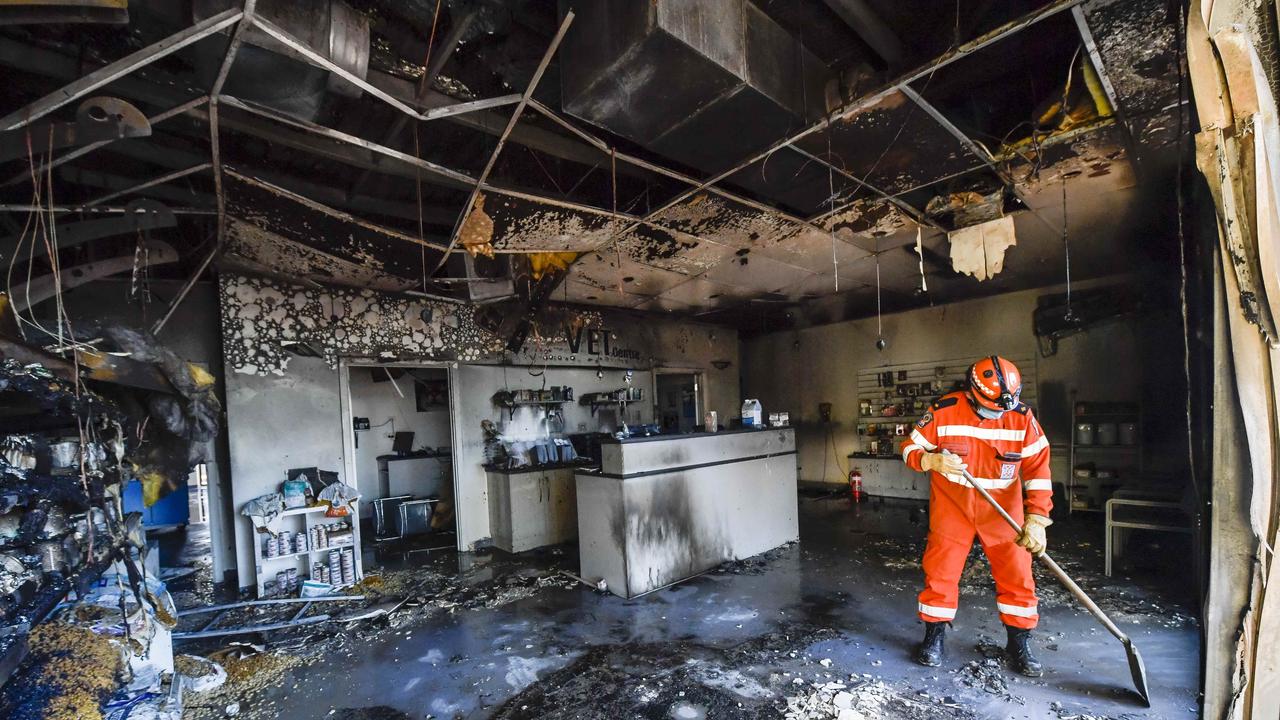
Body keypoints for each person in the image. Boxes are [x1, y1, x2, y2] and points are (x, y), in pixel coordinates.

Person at [900, 356, 1052, 677]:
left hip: (1002, 511)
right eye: (992, 408)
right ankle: (935, 636)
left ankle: (1019, 642)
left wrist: (1037, 519)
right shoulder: (944, 410)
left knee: (1017, 574)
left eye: (1004, 408)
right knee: (940, 571)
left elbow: (1039, 470)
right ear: (972, 393)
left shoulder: (1022, 418)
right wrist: (931, 461)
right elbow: (908, 448)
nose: (999, 413)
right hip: (952, 508)